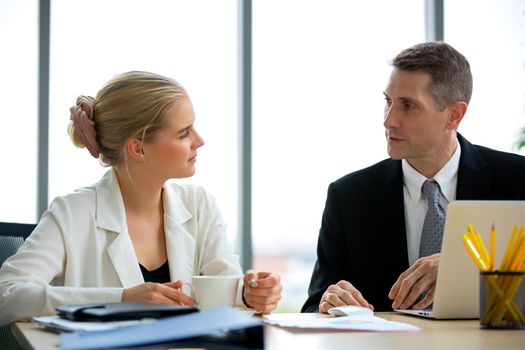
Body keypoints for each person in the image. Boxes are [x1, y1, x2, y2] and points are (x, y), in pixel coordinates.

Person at [0, 71, 282, 326]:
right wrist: (121, 299)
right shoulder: (72, 213)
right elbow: (6, 295)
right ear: (138, 149)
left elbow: (225, 294)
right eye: (184, 133)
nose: (199, 140)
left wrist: (251, 295)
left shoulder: (200, 206)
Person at [302, 42, 525, 313]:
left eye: (408, 106)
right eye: (388, 102)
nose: (389, 120)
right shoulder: (348, 197)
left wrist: (462, 266)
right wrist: (329, 303)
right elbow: (314, 306)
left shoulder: (516, 179)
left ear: (454, 115)